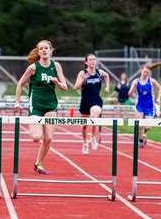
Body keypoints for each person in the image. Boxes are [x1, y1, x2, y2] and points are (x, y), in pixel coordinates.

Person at [14, 40, 67, 174]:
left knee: (48, 139)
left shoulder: (57, 66)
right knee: (36, 138)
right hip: (36, 106)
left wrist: (57, 82)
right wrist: (17, 102)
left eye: (46, 48)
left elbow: (65, 87)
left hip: (51, 106)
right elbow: (20, 83)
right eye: (41, 49)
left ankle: (38, 163)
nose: (44, 50)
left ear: (51, 50)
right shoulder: (33, 67)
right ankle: (36, 127)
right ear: (38, 52)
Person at [73, 54, 110, 154]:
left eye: (94, 59)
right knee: (84, 126)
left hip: (96, 99)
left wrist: (107, 87)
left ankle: (93, 137)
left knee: (95, 113)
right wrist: (83, 79)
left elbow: (106, 76)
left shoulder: (99, 72)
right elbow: (75, 87)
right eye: (90, 60)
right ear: (86, 62)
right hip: (85, 100)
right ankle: (85, 143)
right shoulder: (82, 73)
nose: (93, 61)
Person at [128, 63, 161, 148]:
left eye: (147, 73)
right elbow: (129, 94)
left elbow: (160, 88)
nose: (145, 74)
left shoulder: (151, 81)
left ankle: (144, 134)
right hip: (139, 105)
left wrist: (158, 98)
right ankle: (140, 140)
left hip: (149, 106)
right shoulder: (136, 81)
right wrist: (132, 89)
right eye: (144, 72)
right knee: (139, 125)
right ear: (141, 71)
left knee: (148, 127)